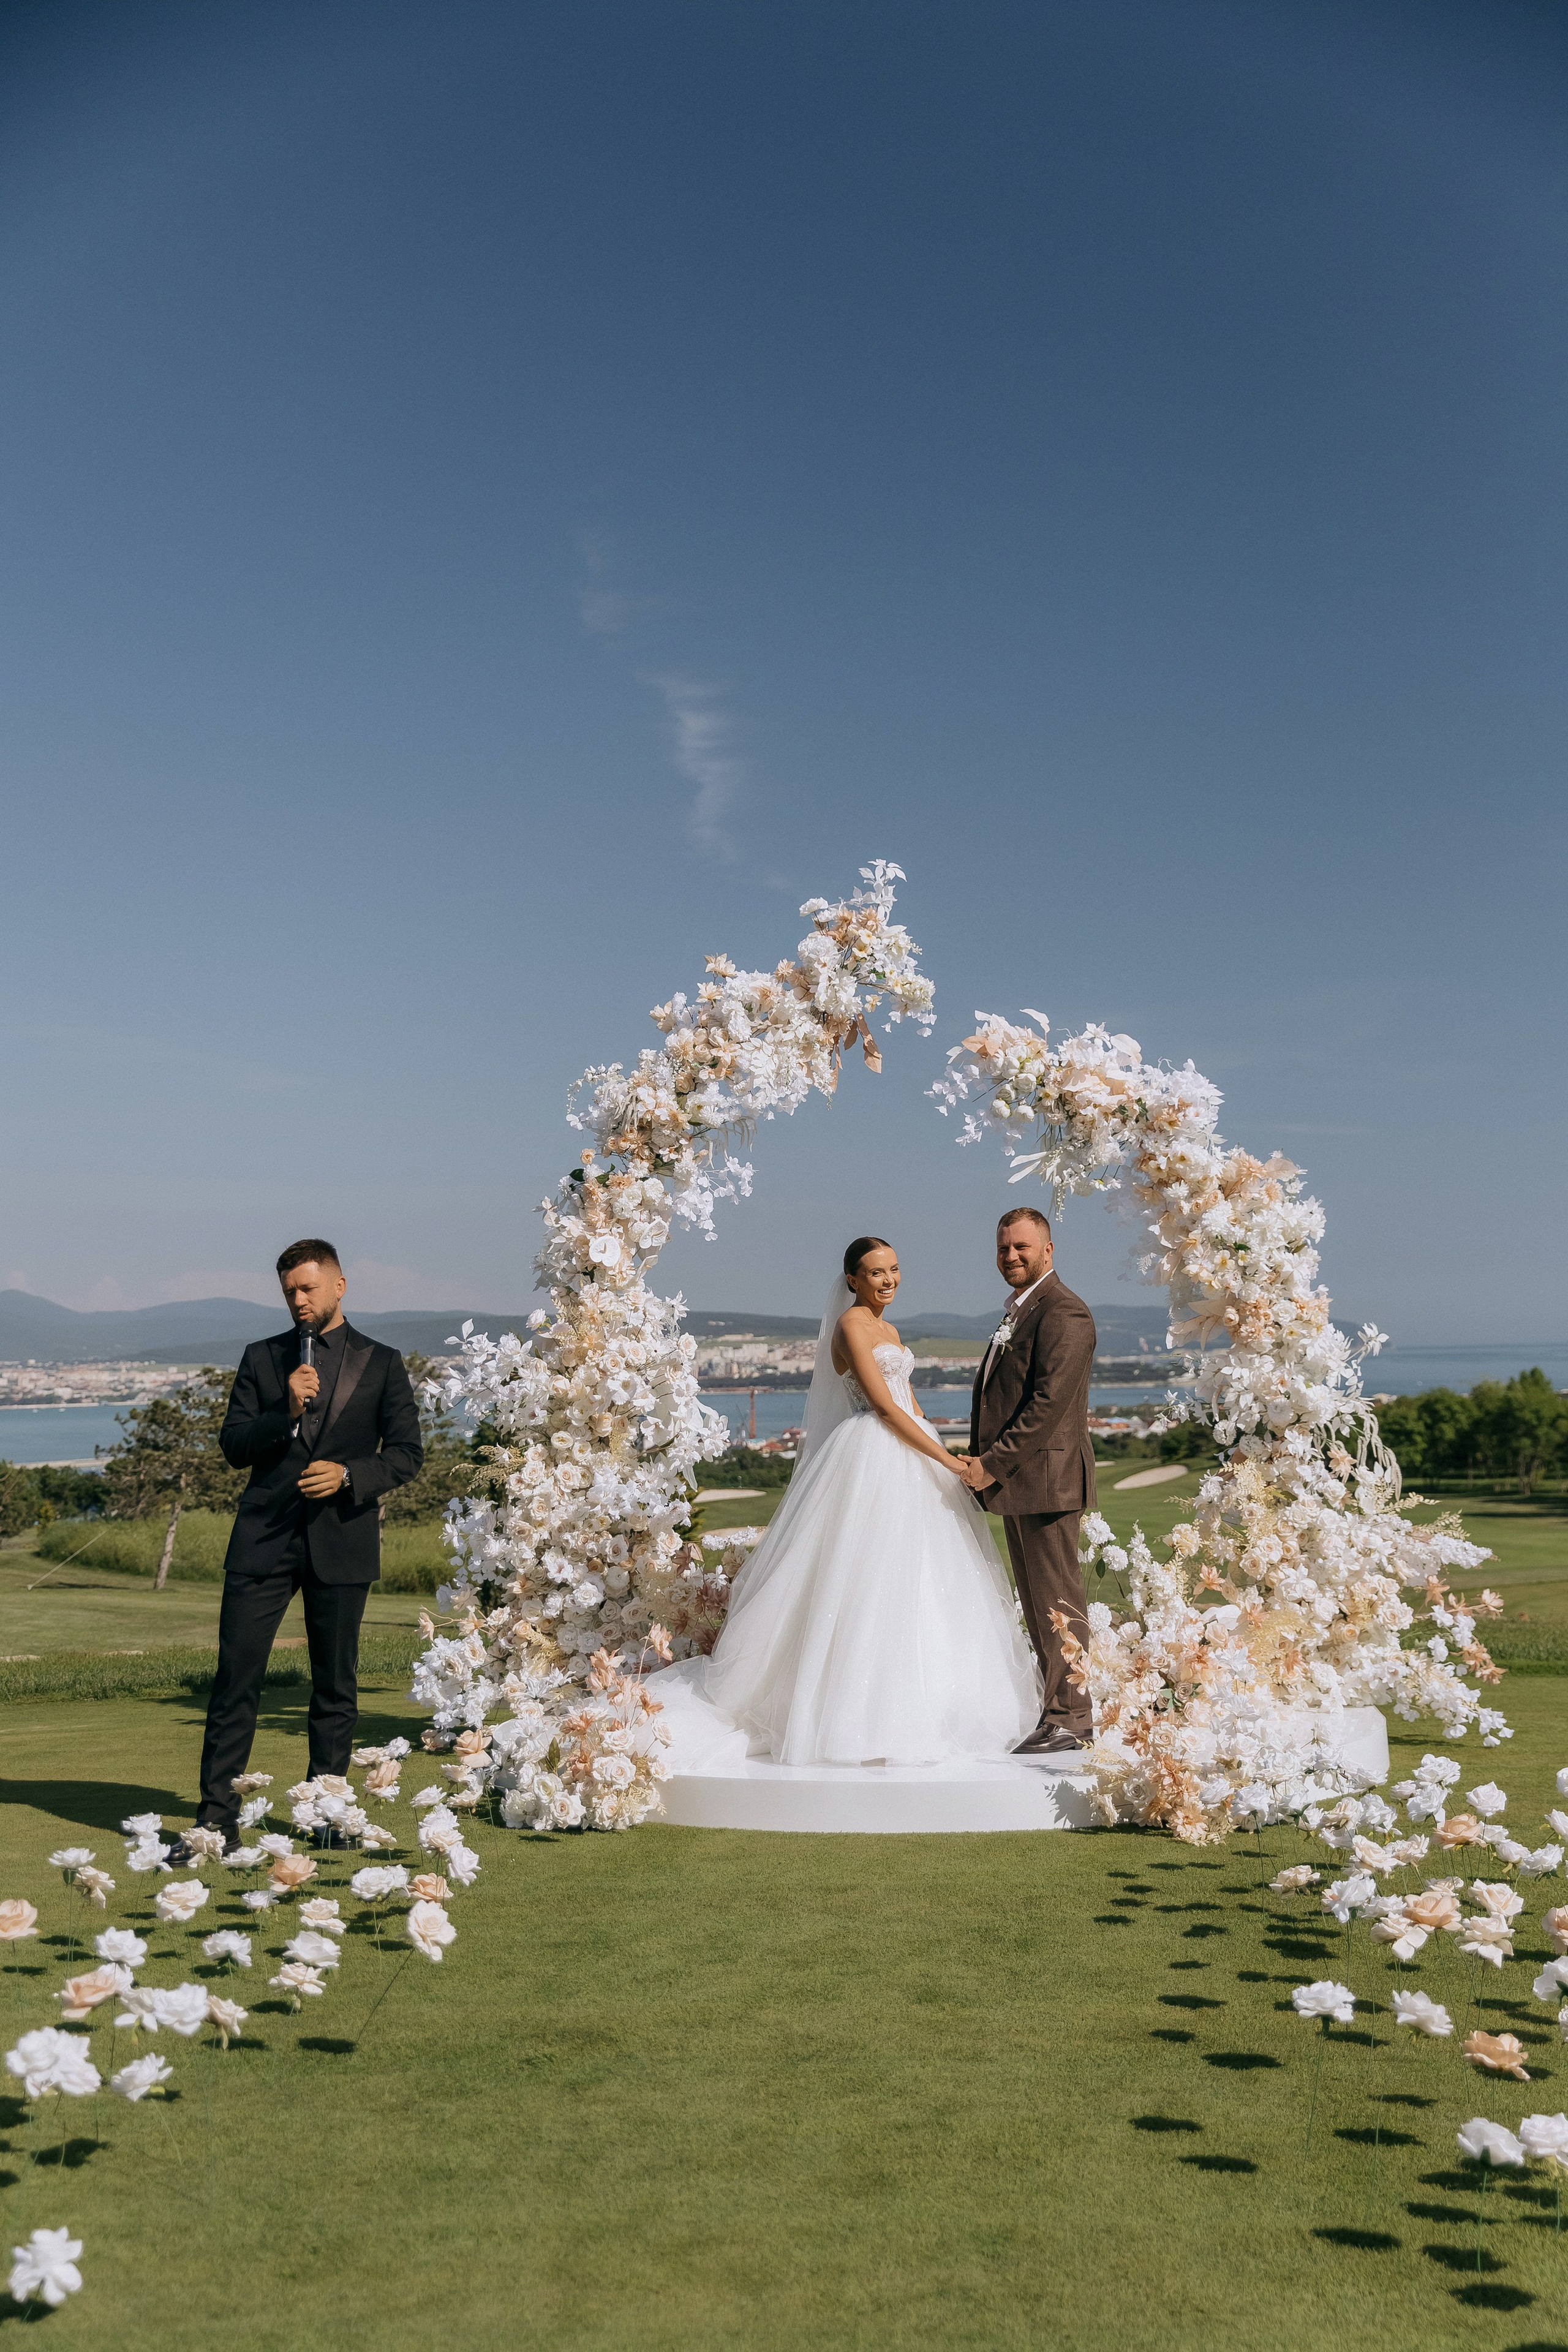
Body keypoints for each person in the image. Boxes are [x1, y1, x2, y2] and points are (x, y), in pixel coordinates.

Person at [649, 1235, 1040, 1767]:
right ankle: (850, 1714)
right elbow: (882, 1407)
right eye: (876, 1272)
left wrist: (946, 1452)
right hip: (871, 1456)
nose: (888, 1280)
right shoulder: (853, 1325)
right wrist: (949, 1462)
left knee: (924, 1578)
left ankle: (939, 1705)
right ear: (853, 1279)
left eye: (895, 1270)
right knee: (863, 1577)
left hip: (912, 1450)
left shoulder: (890, 1329)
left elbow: (909, 1401)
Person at [171, 1240, 423, 1857]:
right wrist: (284, 1411)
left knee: (335, 1684)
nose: (299, 1301)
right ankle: (214, 1823)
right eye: (289, 1292)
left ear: (340, 1286)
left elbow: (407, 1454)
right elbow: (234, 1445)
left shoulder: (383, 1362)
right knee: (235, 1681)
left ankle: (327, 1815)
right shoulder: (263, 1358)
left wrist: (348, 1477)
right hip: (264, 1541)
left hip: (343, 1540)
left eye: (309, 1289)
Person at [957, 1206, 1096, 1754]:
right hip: (1025, 1483)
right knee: (1039, 1602)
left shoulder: (1065, 1313)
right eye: (1002, 1249)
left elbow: (1045, 1407)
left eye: (1021, 1247)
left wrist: (990, 1463)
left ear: (1049, 1250)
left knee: (1058, 1601)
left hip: (1048, 1481)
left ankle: (1073, 1718)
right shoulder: (1021, 1310)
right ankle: (1054, 1711)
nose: (1010, 1256)